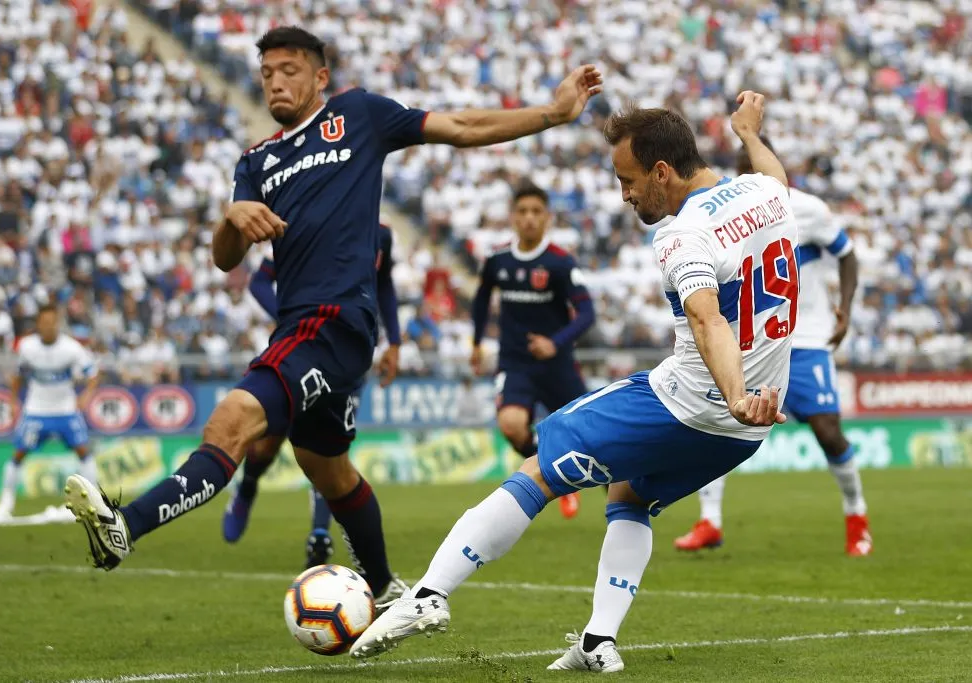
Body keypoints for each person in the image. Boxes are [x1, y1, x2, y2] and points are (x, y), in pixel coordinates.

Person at [63, 25, 602, 612]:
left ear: (320, 76)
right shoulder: (256, 161)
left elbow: (462, 126)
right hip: (301, 327)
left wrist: (552, 113)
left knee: (231, 421)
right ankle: (387, 589)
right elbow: (225, 259)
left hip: (334, 322)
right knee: (326, 466)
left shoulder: (358, 115)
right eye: (267, 73)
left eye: (289, 70)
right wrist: (232, 217)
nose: (275, 82)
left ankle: (127, 525)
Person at [351, 92, 796, 671]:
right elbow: (775, 175)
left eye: (628, 180)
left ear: (662, 172)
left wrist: (734, 395)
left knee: (539, 466)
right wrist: (750, 135)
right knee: (629, 495)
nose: (625, 195)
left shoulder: (682, 234)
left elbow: (706, 318)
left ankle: (429, 594)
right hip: (744, 432)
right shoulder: (767, 195)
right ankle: (595, 643)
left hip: (692, 404)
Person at [675, 136, 870, 556]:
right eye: (742, 169)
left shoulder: (807, 208)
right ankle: (710, 521)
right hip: (751, 339)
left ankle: (857, 517)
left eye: (755, 167)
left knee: (827, 431)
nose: (749, 176)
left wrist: (846, 308)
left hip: (806, 336)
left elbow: (848, 254)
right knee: (718, 424)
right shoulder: (723, 215)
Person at [221, 223, 402, 570]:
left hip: (349, 352)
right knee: (267, 444)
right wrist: (295, 318)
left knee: (328, 446)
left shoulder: (380, 233)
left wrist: (394, 341)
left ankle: (319, 534)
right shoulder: (311, 220)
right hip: (299, 348)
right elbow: (259, 282)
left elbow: (384, 284)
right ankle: (248, 485)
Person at [470, 183, 595, 519]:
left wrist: (555, 342)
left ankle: (626, 505)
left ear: (547, 217)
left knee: (593, 437)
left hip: (558, 364)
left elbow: (587, 313)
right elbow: (481, 300)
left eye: (536, 212)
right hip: (515, 364)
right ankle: (557, 474)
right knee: (511, 425)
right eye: (522, 211)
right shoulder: (497, 260)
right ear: (513, 217)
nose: (529, 218)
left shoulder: (559, 262)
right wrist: (476, 342)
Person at [0, 305, 97, 518]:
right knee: (18, 454)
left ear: (57, 324)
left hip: (66, 410)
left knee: (83, 451)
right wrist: (13, 401)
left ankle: (95, 501)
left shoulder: (72, 348)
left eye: (51, 322)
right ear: (38, 324)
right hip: (36, 410)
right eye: (44, 322)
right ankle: (5, 502)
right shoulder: (26, 346)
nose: (48, 326)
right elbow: (18, 375)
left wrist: (86, 395)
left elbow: (92, 374)